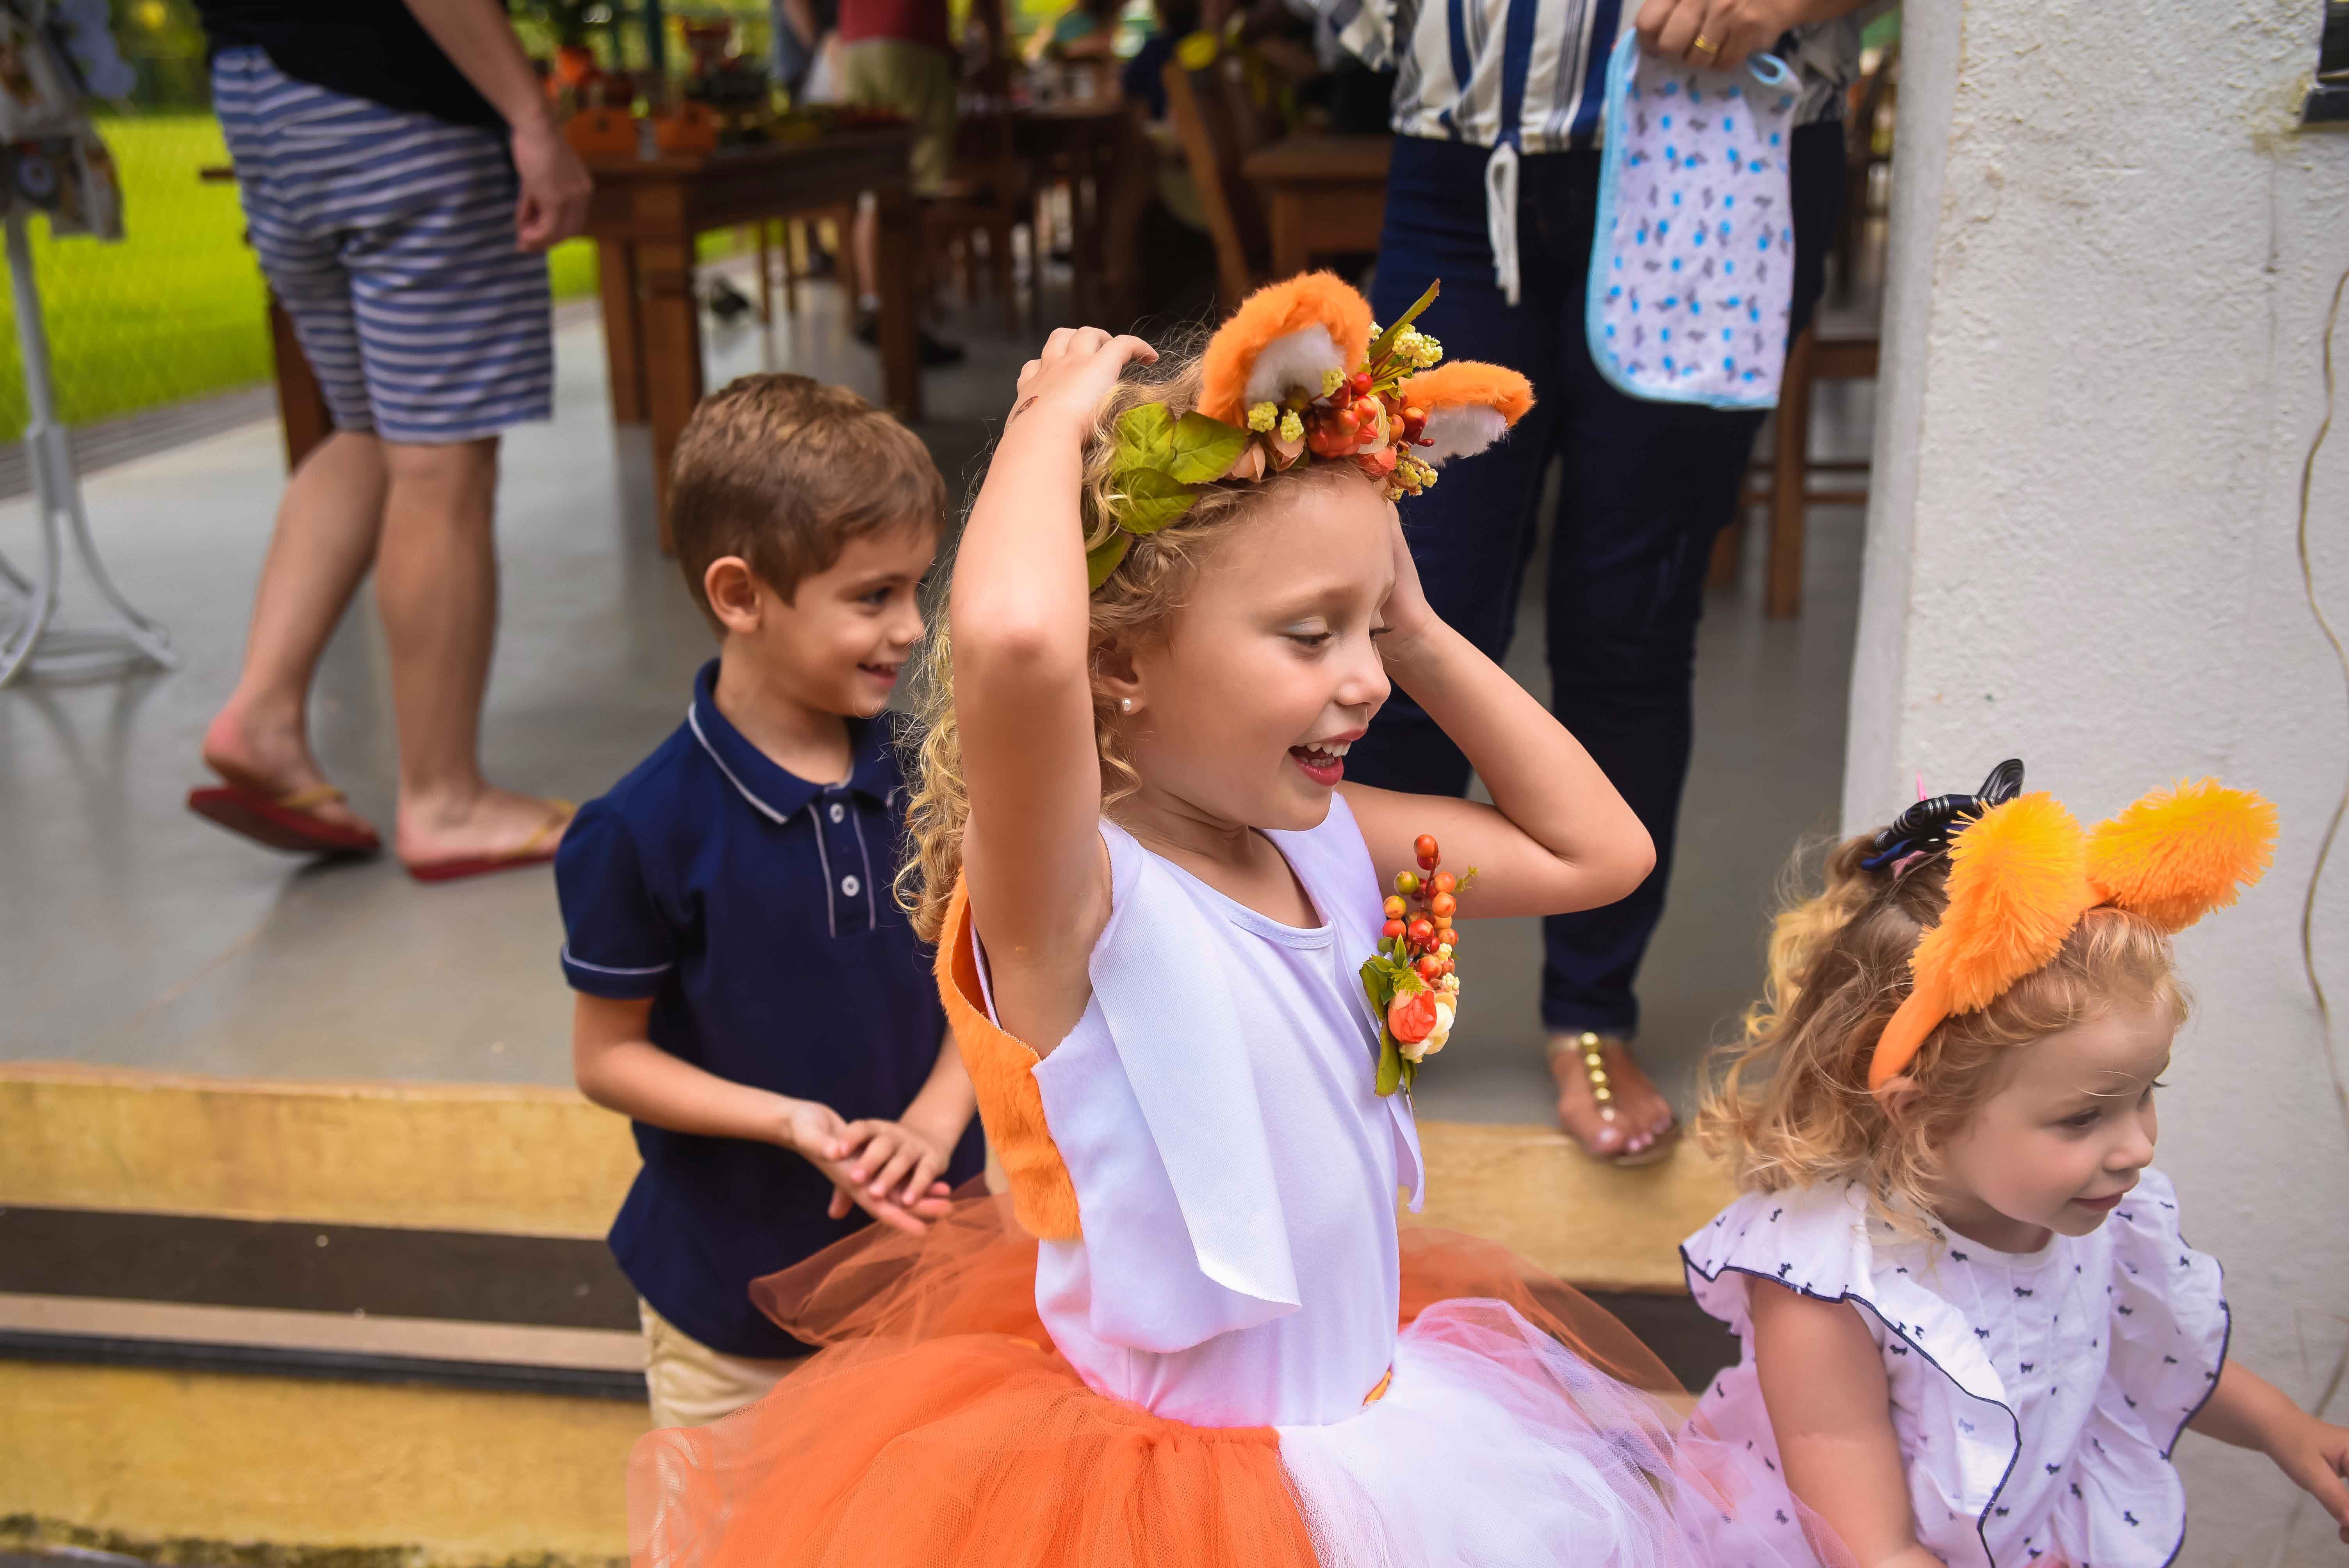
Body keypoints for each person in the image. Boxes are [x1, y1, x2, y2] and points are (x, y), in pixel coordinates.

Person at [621, 275, 1846, 1565]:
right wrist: (1046, 421)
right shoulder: (1069, 896)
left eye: (1367, 629)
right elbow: (1015, 640)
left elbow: (1599, 853)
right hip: (1169, 1512)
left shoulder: (1328, 839)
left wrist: (1419, 628)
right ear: (1118, 661)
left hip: (1383, 1462)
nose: (1365, 679)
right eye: (1309, 635)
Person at [1322, 0, 1889, 1159]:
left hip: (1724, 150)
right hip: (1462, 157)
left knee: (1629, 626)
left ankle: (1590, 1010)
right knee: (1396, 620)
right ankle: (1372, 992)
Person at [1681, 761, 2349, 1564]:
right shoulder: (1827, 1287)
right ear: (1921, 1114)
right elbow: (1869, 1541)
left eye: (2145, 1093)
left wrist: (2284, 1428)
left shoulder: (2090, 1212)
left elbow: (2145, 1354)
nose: (2138, 1147)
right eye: (2082, 1118)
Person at [557, 375, 984, 1431]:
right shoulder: (640, 830)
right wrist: (789, 1123)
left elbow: (988, 967)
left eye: (917, 588)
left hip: (937, 1279)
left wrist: (934, 1121)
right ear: (741, 596)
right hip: (733, 1315)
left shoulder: (934, 776)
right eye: (873, 596)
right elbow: (607, 1057)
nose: (912, 627)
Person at [184, 0, 592, 880]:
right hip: (397, 105)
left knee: (371, 427)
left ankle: (261, 716)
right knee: (441, 456)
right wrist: (531, 118)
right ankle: (447, 802)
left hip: (264, 104)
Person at [836, 0, 995, 365]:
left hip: (856, 44)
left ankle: (877, 307)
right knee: (913, 194)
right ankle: (903, 322)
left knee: (874, 192)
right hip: (912, 40)